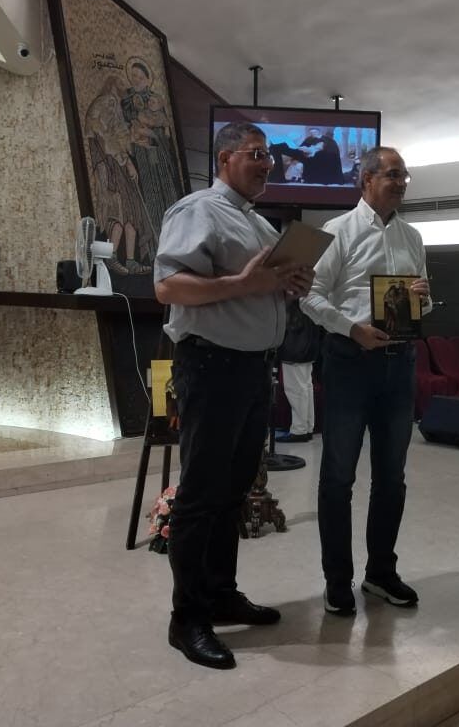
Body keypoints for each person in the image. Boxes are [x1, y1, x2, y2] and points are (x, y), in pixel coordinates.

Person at [153, 121, 313, 670]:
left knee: (232, 491)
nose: (268, 164)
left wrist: (287, 286)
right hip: (211, 366)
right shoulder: (197, 210)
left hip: (251, 369)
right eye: (256, 154)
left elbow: (257, 291)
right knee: (200, 495)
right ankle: (187, 619)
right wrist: (244, 284)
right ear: (225, 158)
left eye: (270, 157)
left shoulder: (258, 222)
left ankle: (221, 594)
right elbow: (167, 287)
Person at [301, 146, 431, 615]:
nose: (400, 183)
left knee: (391, 478)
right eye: (392, 174)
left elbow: (421, 302)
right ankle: (337, 580)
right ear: (366, 180)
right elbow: (309, 297)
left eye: (404, 176)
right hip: (350, 362)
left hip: (400, 363)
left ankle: (380, 573)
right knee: (338, 477)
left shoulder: (413, 237)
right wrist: (352, 328)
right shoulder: (336, 231)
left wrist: (423, 299)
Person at [278, 297, 321, 442]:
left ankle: (299, 429)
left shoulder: (293, 298)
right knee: (306, 388)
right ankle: (307, 427)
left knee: (296, 390)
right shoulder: (310, 294)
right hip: (308, 344)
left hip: (295, 345)